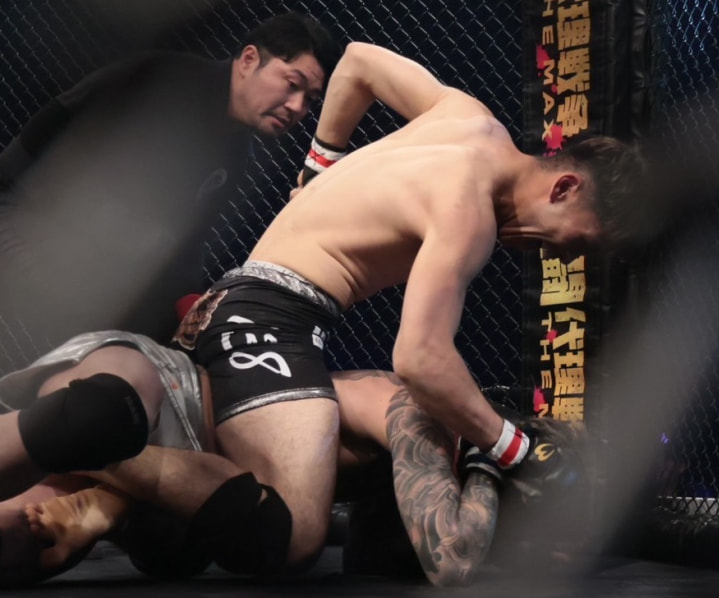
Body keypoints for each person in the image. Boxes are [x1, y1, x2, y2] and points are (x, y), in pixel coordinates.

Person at [167, 40, 646, 578]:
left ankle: (148, 449)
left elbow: (359, 63)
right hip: (265, 323)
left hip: (259, 312)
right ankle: (111, 449)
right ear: (564, 188)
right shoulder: (469, 213)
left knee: (386, 429)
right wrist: (515, 448)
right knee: (296, 536)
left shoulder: (469, 118)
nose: (561, 256)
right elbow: (420, 359)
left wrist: (320, 165)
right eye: (579, 241)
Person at [0, 332, 585, 587]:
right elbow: (452, 558)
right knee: (96, 424)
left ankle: (114, 496)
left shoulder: (399, 491)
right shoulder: (406, 407)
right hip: (163, 401)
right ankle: (108, 473)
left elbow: (367, 557)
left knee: (25, 545)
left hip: (189, 486)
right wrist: (486, 456)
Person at [0, 12, 341, 374]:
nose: (297, 107)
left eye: (310, 99)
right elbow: (43, 130)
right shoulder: (161, 79)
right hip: (26, 225)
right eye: (292, 84)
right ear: (248, 60)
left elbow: (184, 248)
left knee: (174, 353)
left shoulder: (236, 153)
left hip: (93, 265)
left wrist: (194, 309)